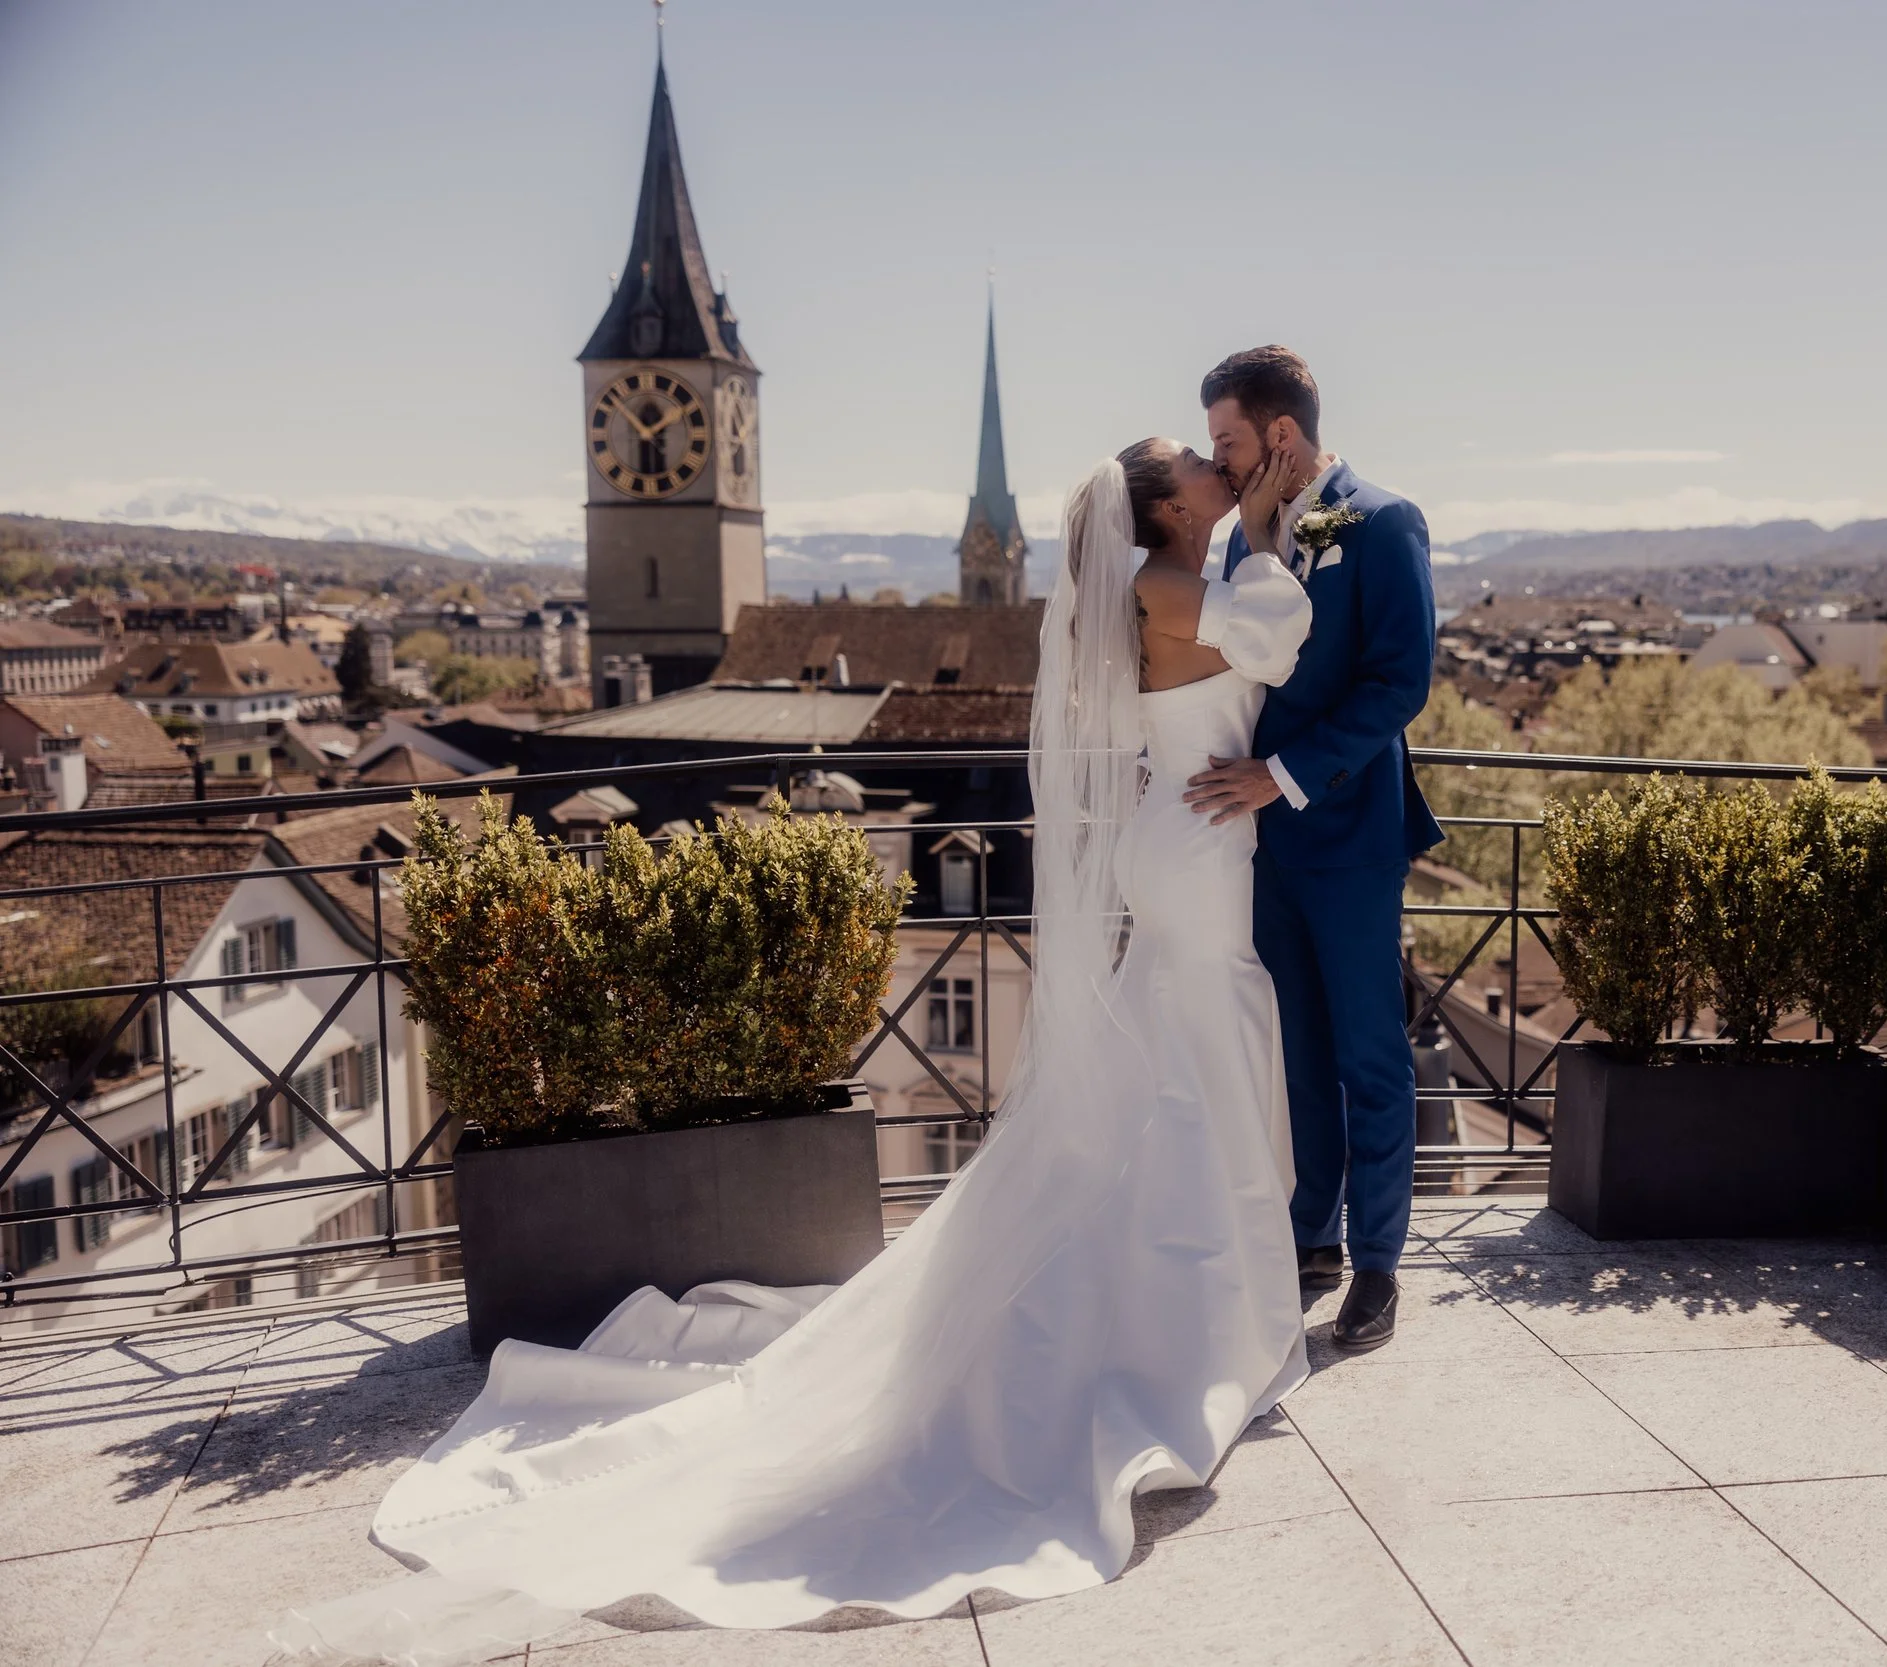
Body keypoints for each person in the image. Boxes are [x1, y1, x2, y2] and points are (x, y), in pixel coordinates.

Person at [272, 448, 1318, 1661]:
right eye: (1202, 465)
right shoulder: (1175, 588)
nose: (1217, 465)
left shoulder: (1155, 586)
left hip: (1176, 837)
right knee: (1198, 1068)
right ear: (1168, 507)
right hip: (1196, 852)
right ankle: (1201, 1332)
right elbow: (1281, 642)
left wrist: (1246, 524)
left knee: (1178, 1076)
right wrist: (1271, 523)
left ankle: (1201, 1317)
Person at [1184, 346, 1444, 1353]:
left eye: (1228, 441)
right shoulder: (1247, 536)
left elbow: (1397, 681)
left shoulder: (1382, 522)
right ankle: (1311, 1239)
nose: (1219, 459)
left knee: (1371, 1055)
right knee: (1296, 1055)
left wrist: (1282, 774)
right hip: (1257, 845)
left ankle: (1377, 1265)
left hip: (1347, 834)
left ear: (1279, 436)